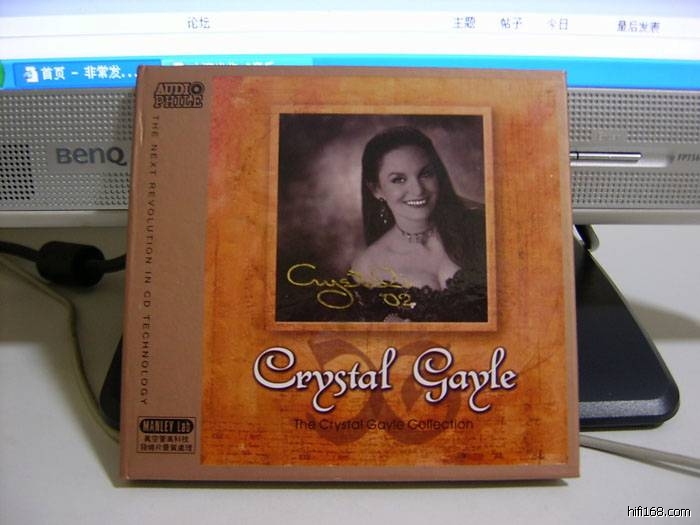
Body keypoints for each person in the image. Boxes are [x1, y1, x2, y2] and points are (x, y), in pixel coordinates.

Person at [349, 126, 487, 322]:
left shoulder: (480, 226)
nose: (418, 190)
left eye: (425, 174)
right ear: (376, 189)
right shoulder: (367, 267)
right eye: (399, 179)